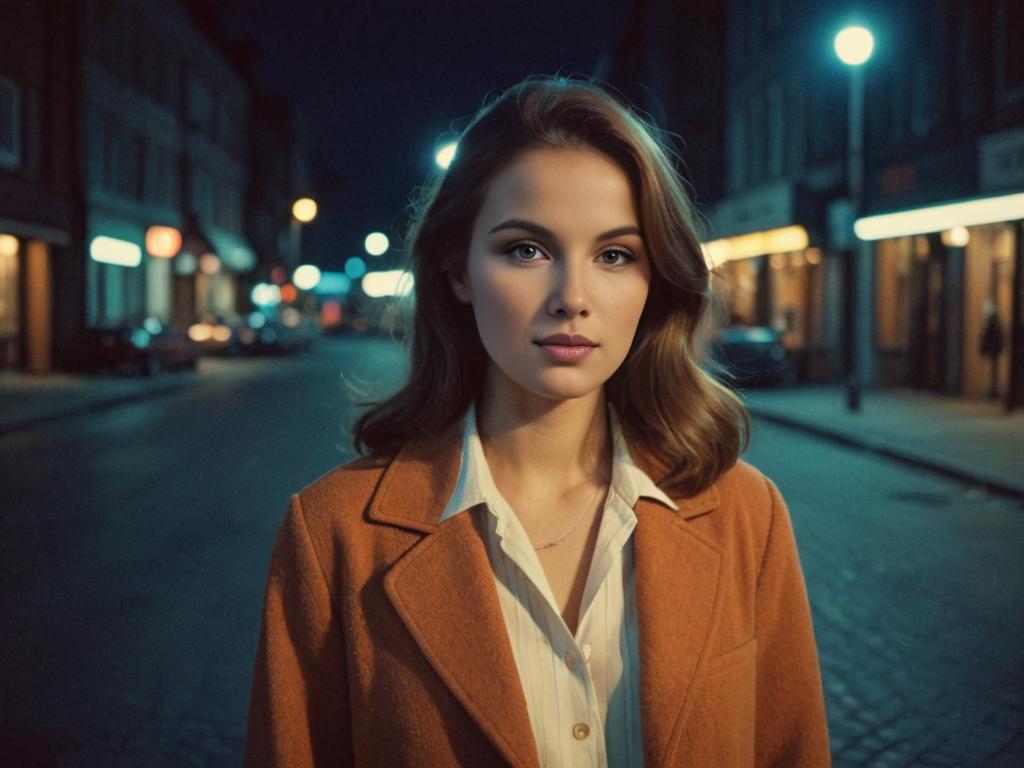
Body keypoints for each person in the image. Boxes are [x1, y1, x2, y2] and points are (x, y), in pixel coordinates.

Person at [244, 75, 830, 767]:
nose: (572, 298)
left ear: (654, 280)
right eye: (526, 249)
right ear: (458, 269)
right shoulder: (332, 534)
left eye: (615, 255)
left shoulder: (743, 514)